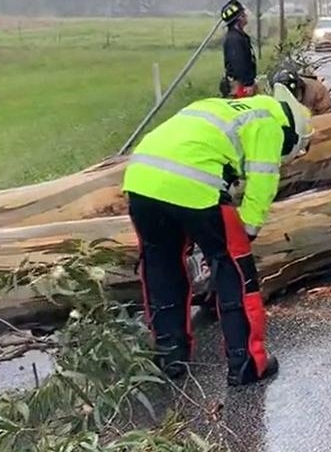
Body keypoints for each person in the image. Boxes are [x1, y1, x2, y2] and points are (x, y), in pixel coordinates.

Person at [122, 83, 314, 386]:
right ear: (293, 134)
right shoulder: (270, 123)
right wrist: (247, 231)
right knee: (235, 270)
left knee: (162, 267)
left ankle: (169, 357)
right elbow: (263, 184)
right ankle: (248, 364)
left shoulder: (227, 108)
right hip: (195, 182)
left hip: (140, 178)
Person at [220, 0, 257, 98]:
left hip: (243, 84)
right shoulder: (234, 39)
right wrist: (247, 84)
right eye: (244, 14)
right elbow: (238, 63)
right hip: (240, 86)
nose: (246, 16)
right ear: (239, 18)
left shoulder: (239, 36)